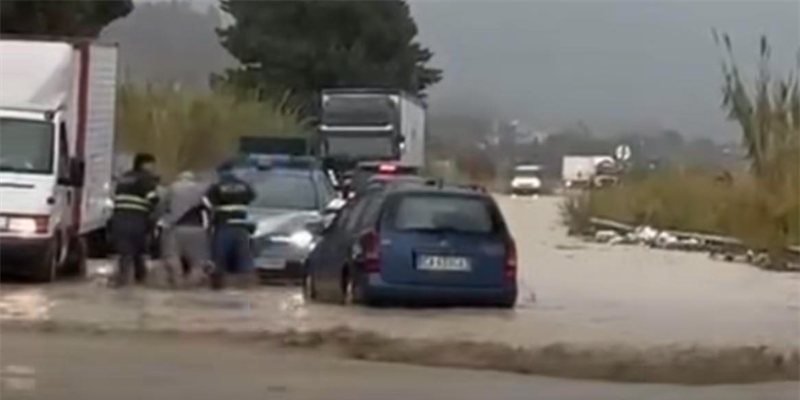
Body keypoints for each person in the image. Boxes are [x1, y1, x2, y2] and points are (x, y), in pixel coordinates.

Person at [204, 161, 256, 289]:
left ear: (220, 172)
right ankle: (246, 290)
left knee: (219, 263)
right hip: (242, 228)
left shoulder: (216, 186)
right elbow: (252, 198)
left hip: (224, 227)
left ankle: (219, 290)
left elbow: (206, 203)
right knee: (244, 264)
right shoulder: (244, 185)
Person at [111, 153, 160, 287]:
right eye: (152, 164)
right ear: (144, 164)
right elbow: (153, 199)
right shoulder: (146, 179)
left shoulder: (124, 178)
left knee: (124, 251)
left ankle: (122, 279)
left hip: (119, 219)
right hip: (136, 219)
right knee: (138, 250)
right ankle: (139, 280)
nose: (153, 168)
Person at [159, 171, 211, 288]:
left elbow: (161, 207)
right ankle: (189, 288)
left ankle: (178, 285)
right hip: (197, 229)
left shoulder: (172, 188)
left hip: (175, 229)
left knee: (172, 258)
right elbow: (209, 209)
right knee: (198, 264)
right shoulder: (201, 190)